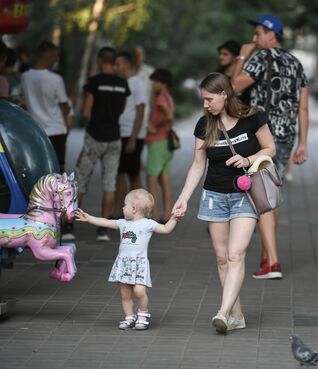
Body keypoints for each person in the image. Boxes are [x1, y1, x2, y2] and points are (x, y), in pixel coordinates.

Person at [172, 72, 275, 333]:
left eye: (209, 99)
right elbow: (197, 166)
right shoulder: (203, 125)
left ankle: (222, 311)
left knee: (235, 254)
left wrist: (248, 160)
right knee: (221, 258)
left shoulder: (253, 117)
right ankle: (236, 315)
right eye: (202, 100)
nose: (205, 105)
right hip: (214, 195)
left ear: (223, 95)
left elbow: (270, 149)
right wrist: (183, 199)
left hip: (246, 193)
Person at [231, 13, 309, 279]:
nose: (254, 39)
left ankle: (272, 262)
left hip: (262, 137)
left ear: (271, 34)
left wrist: (242, 56)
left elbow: (232, 85)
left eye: (258, 34)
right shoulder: (296, 63)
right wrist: (303, 143)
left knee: (263, 199)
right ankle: (267, 257)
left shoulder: (261, 58)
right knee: (271, 198)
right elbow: (304, 106)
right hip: (285, 138)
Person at [75, 189, 179, 330]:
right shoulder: (122, 223)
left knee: (139, 291)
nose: (122, 208)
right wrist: (89, 218)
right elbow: (106, 222)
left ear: (134, 208)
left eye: (125, 205)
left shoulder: (148, 224)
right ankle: (129, 317)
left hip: (139, 264)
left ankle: (143, 314)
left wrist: (174, 218)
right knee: (125, 294)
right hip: (123, 264)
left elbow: (166, 229)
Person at [73, 47, 130, 242]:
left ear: (99, 60)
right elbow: (121, 109)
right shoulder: (123, 84)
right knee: (109, 182)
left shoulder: (94, 82)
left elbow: (86, 111)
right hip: (114, 137)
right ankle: (103, 230)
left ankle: (69, 225)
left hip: (95, 136)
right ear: (114, 62)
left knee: (81, 179)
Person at [20, 41, 71, 171]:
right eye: (56, 56)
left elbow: (24, 102)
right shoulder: (55, 79)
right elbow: (64, 106)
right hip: (56, 130)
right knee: (58, 169)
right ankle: (57, 192)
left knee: (39, 168)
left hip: (35, 131)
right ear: (51, 56)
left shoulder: (25, 77)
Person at [113, 51, 146, 218]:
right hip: (119, 133)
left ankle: (139, 212)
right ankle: (120, 212)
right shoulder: (120, 83)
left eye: (118, 64)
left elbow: (140, 111)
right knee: (119, 174)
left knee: (133, 175)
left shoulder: (137, 83)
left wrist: (133, 137)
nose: (115, 67)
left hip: (133, 136)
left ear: (127, 64)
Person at [145, 68, 175, 223]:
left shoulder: (161, 98)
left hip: (157, 142)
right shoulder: (168, 97)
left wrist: (155, 126)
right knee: (164, 179)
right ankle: (167, 215)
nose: (153, 85)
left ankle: (155, 216)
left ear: (162, 82)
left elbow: (169, 116)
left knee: (151, 179)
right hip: (166, 143)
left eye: (155, 81)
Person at [134, 46, 155, 148]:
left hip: (144, 112)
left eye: (140, 55)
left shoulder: (149, 72)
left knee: (140, 144)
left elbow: (153, 95)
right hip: (128, 113)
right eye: (136, 55)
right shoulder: (128, 71)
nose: (138, 58)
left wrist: (152, 117)